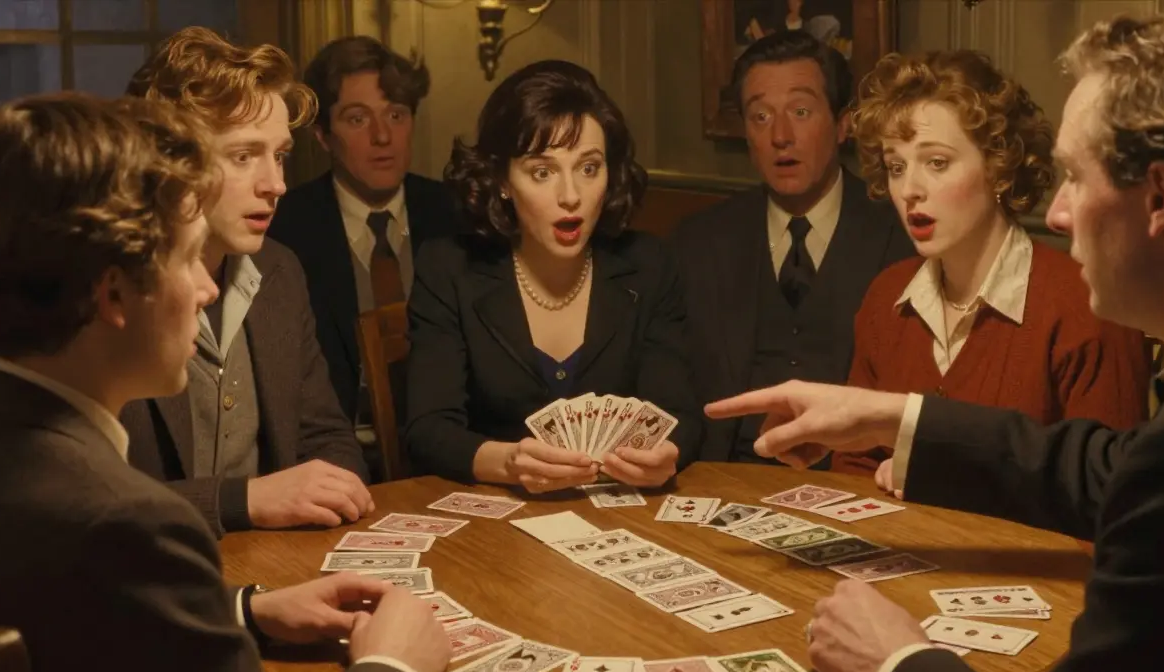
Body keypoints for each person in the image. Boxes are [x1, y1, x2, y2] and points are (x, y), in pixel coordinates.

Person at [706, 13, 1164, 672]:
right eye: (898, 165)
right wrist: (893, 417)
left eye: (1073, 177)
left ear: (1158, 196)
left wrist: (898, 665)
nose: (1057, 212)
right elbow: (1106, 466)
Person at [0, 92, 449, 672]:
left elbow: (80, 618)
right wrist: (393, 669)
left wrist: (243, 610)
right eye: (185, 258)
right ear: (115, 294)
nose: (207, 288)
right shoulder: (129, 526)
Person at [831, 49, 1150, 480]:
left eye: (937, 162)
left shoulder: (1086, 304)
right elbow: (850, 467)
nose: (910, 189)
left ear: (999, 168)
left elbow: (1111, 499)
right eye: (896, 166)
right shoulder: (887, 298)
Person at [120, 27, 374, 537]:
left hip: (273, 567)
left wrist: (328, 491)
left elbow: (329, 438)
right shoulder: (110, 288)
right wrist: (247, 500)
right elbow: (82, 506)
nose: (276, 184)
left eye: (279, 155)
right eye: (243, 156)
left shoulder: (280, 272)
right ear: (173, 164)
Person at [404, 59, 700, 491]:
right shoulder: (449, 267)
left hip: (622, 519)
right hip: (493, 525)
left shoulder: (650, 266)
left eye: (589, 168)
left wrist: (666, 455)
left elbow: (681, 415)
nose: (571, 196)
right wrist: (508, 463)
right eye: (542, 172)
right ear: (502, 180)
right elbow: (428, 430)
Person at [671, 30, 915, 466]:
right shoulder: (698, 243)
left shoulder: (900, 236)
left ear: (844, 125)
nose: (780, 135)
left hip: (853, 483)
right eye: (760, 117)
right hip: (724, 480)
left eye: (801, 111)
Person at [270, 36, 458, 437]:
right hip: (332, 456)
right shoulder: (283, 229)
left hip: (447, 454)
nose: (382, 137)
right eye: (357, 119)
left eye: (395, 115)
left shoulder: (459, 216)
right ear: (322, 135)